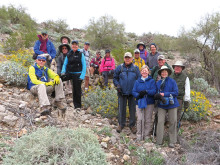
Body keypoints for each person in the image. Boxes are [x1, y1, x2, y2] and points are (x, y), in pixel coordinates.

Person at [113, 52, 141, 134]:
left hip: (132, 93)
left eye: (129, 57)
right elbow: (115, 78)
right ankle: (121, 124)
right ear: (124, 58)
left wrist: (136, 89)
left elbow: (139, 79)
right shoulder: (120, 67)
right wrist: (117, 85)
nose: (127, 59)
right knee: (121, 109)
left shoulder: (136, 68)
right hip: (122, 92)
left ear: (132, 58)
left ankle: (132, 125)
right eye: (126, 57)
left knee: (132, 110)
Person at [155, 66, 179, 148]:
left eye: (165, 72)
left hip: (172, 104)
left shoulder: (172, 81)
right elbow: (156, 93)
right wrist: (157, 96)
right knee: (160, 122)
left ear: (168, 73)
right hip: (161, 104)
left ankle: (172, 141)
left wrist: (164, 94)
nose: (163, 73)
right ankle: (159, 141)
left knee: (173, 121)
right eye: (162, 72)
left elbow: (176, 92)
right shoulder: (158, 83)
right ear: (160, 73)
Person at [132, 65, 156, 141]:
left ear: (148, 72)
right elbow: (133, 91)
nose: (144, 72)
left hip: (149, 103)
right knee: (140, 119)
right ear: (140, 72)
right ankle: (139, 135)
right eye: (143, 70)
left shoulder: (152, 81)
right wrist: (138, 95)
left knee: (148, 119)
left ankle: (146, 136)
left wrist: (147, 92)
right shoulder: (137, 81)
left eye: (146, 70)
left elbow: (154, 91)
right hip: (139, 102)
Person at [61, 40, 86, 111]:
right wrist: (63, 72)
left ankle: (77, 106)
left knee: (76, 90)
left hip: (78, 74)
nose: (74, 46)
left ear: (78, 46)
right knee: (59, 78)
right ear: (71, 46)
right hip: (69, 73)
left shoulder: (81, 54)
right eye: (73, 45)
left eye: (76, 45)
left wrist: (82, 76)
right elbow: (65, 64)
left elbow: (84, 65)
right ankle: (55, 97)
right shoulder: (69, 53)